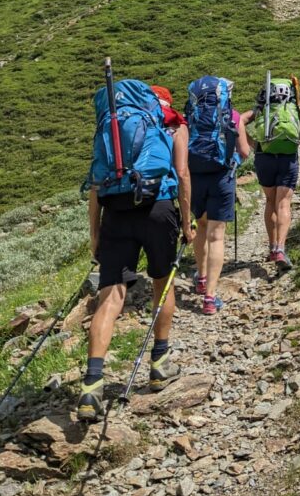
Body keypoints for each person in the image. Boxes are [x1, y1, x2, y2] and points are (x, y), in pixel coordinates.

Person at [78, 83, 193, 422]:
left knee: (110, 296)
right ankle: (159, 363)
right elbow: (183, 173)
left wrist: (95, 234)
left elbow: (96, 186)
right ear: (161, 104)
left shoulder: (111, 128)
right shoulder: (172, 124)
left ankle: (91, 384)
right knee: (162, 281)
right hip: (158, 209)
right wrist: (187, 223)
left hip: (116, 212)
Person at [241, 80, 300, 272]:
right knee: (283, 203)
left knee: (270, 201)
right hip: (288, 158)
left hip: (264, 158)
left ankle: (271, 247)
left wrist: (253, 143)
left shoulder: (262, 109)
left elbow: (239, 121)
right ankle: (280, 249)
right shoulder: (296, 109)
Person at [185, 76, 250, 316]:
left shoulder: (188, 119)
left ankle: (201, 278)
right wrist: (234, 162)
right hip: (222, 177)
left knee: (201, 226)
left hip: (194, 178)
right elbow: (244, 151)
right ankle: (210, 297)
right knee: (216, 236)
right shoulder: (232, 116)